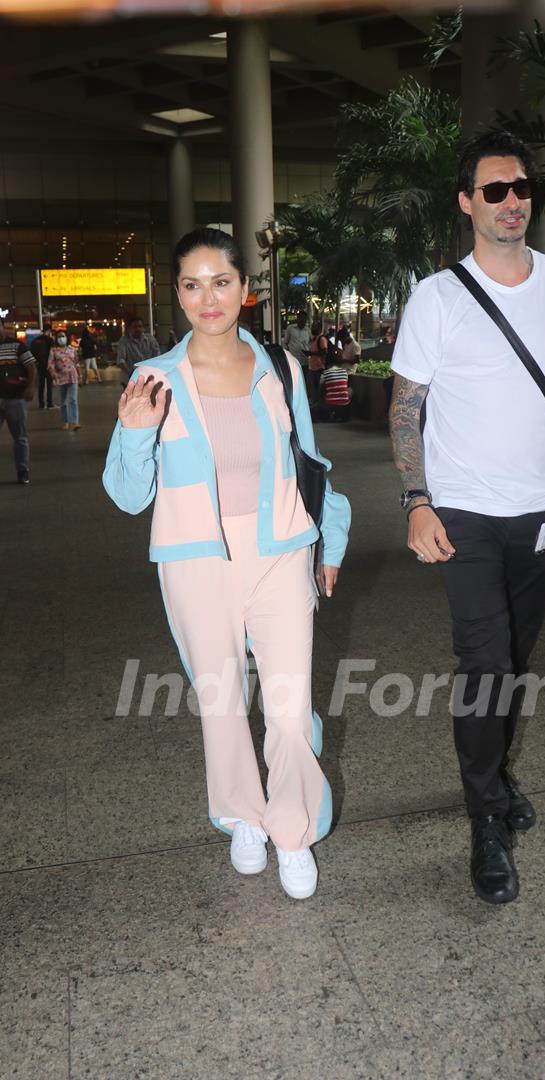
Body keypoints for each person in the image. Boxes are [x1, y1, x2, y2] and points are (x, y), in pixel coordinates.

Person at [389, 130, 545, 906]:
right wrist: (417, 501)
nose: (512, 201)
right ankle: (486, 817)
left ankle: (494, 772)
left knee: (515, 659)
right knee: (486, 663)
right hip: (465, 513)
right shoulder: (437, 297)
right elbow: (406, 407)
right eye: (495, 190)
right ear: (467, 203)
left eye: (521, 188)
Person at [103, 227, 350, 901]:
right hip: (194, 562)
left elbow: (310, 464)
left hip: (279, 551)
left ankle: (293, 830)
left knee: (291, 707)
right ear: (176, 293)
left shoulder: (282, 369)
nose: (207, 298)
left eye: (221, 282)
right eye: (191, 284)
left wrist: (330, 539)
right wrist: (132, 429)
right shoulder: (154, 380)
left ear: (246, 290)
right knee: (222, 704)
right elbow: (128, 497)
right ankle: (245, 816)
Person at [0, 317, 36, 483]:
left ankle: (23, 470)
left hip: (15, 398)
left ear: (3, 327)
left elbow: (31, 367)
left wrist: (30, 387)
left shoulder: (17, 346)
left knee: (20, 436)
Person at [48, 330, 81, 431]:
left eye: (63, 336)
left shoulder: (72, 349)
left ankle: (75, 422)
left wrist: (81, 375)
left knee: (73, 400)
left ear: (66, 337)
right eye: (59, 336)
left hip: (73, 376)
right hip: (61, 378)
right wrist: (53, 373)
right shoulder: (53, 350)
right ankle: (65, 422)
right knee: (63, 402)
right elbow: (50, 364)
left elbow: (77, 363)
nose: (61, 338)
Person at [116, 316, 160, 386]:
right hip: (130, 379)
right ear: (130, 328)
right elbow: (120, 360)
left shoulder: (150, 339)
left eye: (140, 326)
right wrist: (132, 373)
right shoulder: (124, 341)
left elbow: (157, 355)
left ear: (143, 328)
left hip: (147, 377)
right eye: (134, 327)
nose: (137, 329)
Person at [312, 358, 353, 423]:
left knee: (319, 401)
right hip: (344, 403)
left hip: (329, 403)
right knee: (350, 390)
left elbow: (321, 388)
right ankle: (344, 412)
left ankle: (328, 413)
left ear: (328, 365)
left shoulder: (325, 373)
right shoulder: (344, 372)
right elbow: (344, 385)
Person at [30, 322, 55, 408]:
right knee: (49, 384)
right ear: (49, 330)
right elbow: (52, 354)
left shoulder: (35, 340)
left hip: (39, 365)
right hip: (48, 365)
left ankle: (41, 404)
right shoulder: (50, 340)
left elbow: (31, 353)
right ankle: (50, 403)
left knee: (41, 384)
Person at [307, 319, 328, 404]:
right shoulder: (314, 339)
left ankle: (319, 406)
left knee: (319, 389)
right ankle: (316, 405)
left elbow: (324, 352)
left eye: (314, 327)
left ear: (319, 328)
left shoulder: (321, 339)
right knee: (314, 389)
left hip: (319, 368)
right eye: (312, 327)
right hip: (313, 368)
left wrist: (311, 353)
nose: (312, 329)